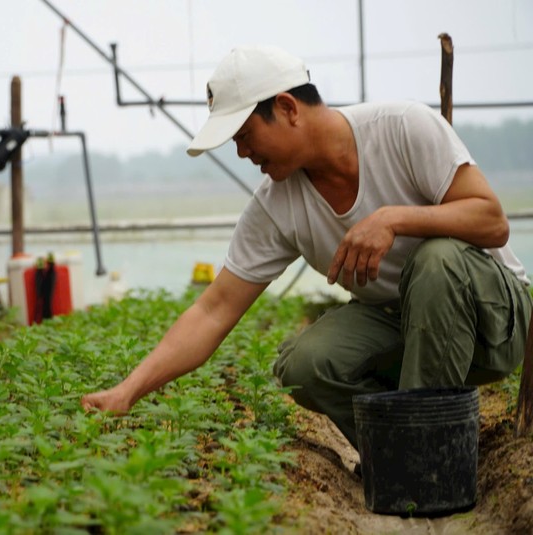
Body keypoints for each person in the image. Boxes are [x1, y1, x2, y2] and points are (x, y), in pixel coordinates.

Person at [80, 45, 532, 451]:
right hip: (405, 323)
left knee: (436, 260)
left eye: (244, 135)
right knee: (307, 365)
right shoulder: (276, 204)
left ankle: (426, 456)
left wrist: (393, 218)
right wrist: (128, 391)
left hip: (492, 322)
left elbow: (492, 222)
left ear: (287, 107)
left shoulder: (401, 128)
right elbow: (212, 311)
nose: (242, 153)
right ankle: (404, 450)